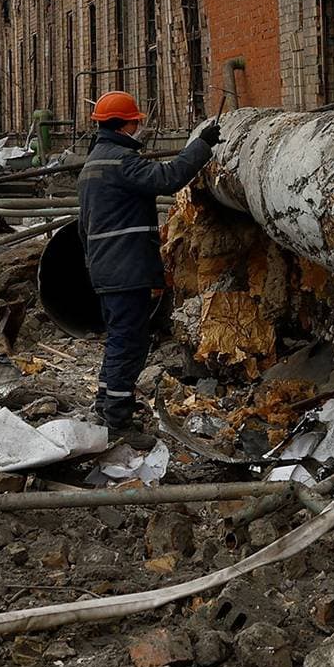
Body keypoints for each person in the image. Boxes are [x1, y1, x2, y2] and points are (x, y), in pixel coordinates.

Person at [78, 91, 220, 437]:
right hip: (126, 268)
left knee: (119, 340)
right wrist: (202, 145)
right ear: (128, 124)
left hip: (106, 268)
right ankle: (118, 419)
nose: (140, 126)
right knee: (129, 342)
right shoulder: (122, 162)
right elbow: (168, 178)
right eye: (137, 121)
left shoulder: (93, 164)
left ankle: (106, 403)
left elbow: (84, 227)